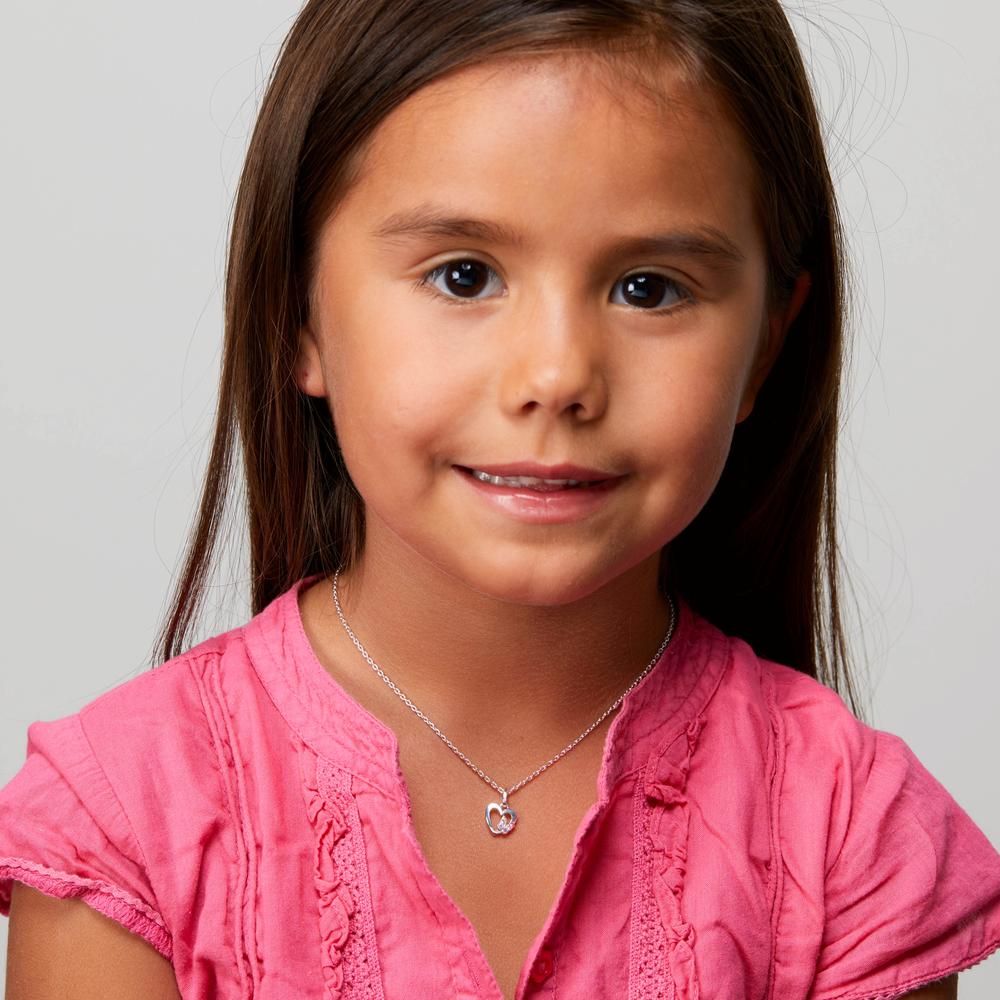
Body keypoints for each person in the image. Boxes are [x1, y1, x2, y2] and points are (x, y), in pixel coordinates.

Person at [2, 1, 998, 997]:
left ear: (765, 348)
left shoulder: (850, 836)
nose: (556, 376)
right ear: (296, 315)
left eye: (649, 288)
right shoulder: (129, 826)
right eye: (464, 276)